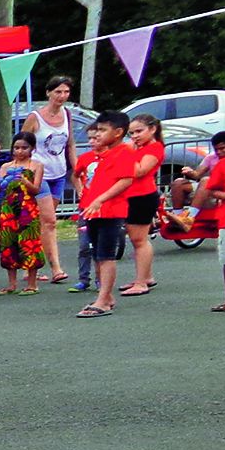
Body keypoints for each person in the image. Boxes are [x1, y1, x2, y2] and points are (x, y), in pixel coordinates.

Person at [74, 110, 141, 319]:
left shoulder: (124, 152)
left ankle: (103, 300)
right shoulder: (103, 154)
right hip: (94, 210)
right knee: (98, 254)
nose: (99, 135)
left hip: (111, 211)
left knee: (106, 255)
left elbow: (125, 180)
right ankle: (106, 296)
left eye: (103, 130)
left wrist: (100, 199)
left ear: (118, 132)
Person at [21, 77, 77, 284]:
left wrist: (76, 168)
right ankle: (56, 267)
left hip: (59, 173)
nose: (62, 96)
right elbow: (21, 146)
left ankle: (30, 266)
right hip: (39, 174)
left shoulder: (67, 114)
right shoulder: (35, 117)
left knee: (41, 223)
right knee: (50, 221)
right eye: (58, 92)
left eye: (66, 92)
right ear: (48, 93)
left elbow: (70, 144)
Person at [117, 114, 166, 298]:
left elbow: (140, 171)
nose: (135, 136)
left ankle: (141, 282)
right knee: (138, 239)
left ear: (152, 129)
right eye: (132, 133)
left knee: (140, 240)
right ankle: (145, 277)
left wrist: (126, 153)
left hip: (142, 196)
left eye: (139, 131)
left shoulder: (154, 148)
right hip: (133, 196)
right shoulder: (141, 147)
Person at [0, 135, 46, 294]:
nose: (20, 151)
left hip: (28, 208)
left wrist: (25, 181)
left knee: (29, 242)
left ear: (32, 149)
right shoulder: (5, 166)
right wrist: (4, 180)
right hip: (9, 208)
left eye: (24, 148)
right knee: (9, 243)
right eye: (17, 148)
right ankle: (12, 284)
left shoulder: (36, 166)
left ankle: (32, 284)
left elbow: (36, 190)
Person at [197, 132, 225, 311]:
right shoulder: (222, 165)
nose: (219, 152)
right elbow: (211, 190)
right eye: (216, 150)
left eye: (223, 148)